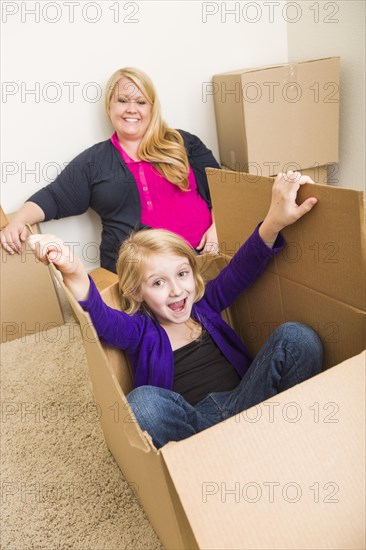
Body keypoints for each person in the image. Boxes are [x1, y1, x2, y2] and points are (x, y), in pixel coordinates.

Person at [28, 171, 323, 449]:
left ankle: (279, 431)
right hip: (197, 428)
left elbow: (241, 270)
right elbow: (102, 320)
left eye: (182, 274)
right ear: (135, 293)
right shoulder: (139, 331)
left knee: (296, 336)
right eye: (158, 282)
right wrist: (74, 271)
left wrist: (274, 221)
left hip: (249, 403)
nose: (176, 290)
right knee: (141, 403)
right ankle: (219, 457)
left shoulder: (204, 306)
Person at [0, 67, 220, 272]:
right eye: (122, 101)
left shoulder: (183, 142)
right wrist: (19, 221)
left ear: (152, 107)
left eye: (141, 102)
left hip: (201, 258)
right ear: (109, 106)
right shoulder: (94, 162)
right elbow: (53, 197)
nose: (131, 109)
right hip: (137, 274)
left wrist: (219, 227)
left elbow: (224, 189)